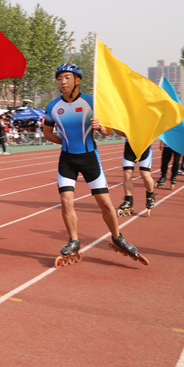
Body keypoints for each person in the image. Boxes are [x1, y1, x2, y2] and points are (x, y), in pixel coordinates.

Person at [42, 63, 146, 265]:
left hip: (90, 158)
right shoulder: (52, 106)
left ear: (77, 80)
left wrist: (100, 127)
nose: (63, 82)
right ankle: (74, 241)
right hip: (67, 159)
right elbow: (48, 134)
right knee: (66, 201)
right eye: (60, 78)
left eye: (67, 78)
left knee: (105, 204)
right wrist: (67, 142)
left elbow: (108, 131)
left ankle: (117, 238)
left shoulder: (92, 102)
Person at [113, 132, 155, 216]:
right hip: (130, 146)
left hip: (144, 146)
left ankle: (150, 195)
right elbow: (120, 131)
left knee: (145, 174)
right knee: (127, 174)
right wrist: (117, 128)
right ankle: (128, 200)